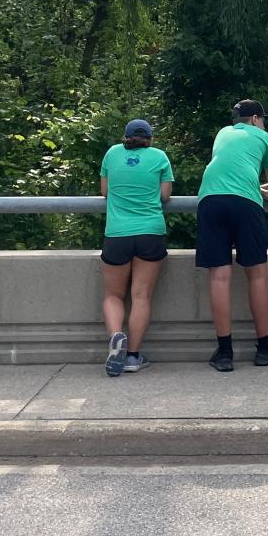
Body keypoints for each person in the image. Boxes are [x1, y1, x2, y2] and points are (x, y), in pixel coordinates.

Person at [197, 99, 268, 372]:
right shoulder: (263, 136)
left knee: (219, 277)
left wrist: (254, 187)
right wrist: (260, 189)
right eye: (263, 119)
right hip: (244, 205)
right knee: (257, 274)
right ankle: (266, 347)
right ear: (255, 119)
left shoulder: (222, 133)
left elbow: (230, 170)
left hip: (209, 200)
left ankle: (224, 352)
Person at [99, 119, 174, 376]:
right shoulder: (160, 157)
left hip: (117, 233)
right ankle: (132, 357)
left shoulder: (112, 154)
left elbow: (105, 191)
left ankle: (116, 336)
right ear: (150, 138)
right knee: (141, 296)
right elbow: (165, 195)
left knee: (113, 295)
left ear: (126, 137)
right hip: (150, 231)